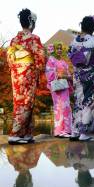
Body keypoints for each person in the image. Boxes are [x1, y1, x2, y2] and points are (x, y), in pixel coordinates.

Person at [7, 8, 45, 144]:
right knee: (26, 103)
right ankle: (15, 134)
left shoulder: (14, 40)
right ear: (31, 23)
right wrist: (39, 69)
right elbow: (40, 58)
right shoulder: (34, 39)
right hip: (28, 74)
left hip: (16, 74)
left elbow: (10, 59)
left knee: (21, 102)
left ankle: (27, 133)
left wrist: (17, 69)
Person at [68, 15, 94, 141]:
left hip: (78, 75)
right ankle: (83, 132)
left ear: (82, 26)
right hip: (91, 75)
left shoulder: (73, 41)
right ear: (93, 28)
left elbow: (70, 55)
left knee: (78, 101)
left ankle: (75, 131)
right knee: (89, 102)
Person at [46, 42, 72, 137]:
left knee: (66, 106)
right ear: (54, 49)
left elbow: (68, 74)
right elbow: (49, 73)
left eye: (61, 48)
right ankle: (59, 131)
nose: (60, 50)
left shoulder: (63, 61)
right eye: (58, 48)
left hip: (64, 85)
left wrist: (68, 76)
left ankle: (67, 130)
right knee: (58, 107)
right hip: (57, 86)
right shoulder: (51, 60)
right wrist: (59, 74)